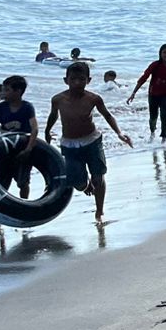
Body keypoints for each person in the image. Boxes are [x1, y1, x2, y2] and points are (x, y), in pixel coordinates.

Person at [46, 61, 133, 223]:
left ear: (89, 80)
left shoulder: (93, 99)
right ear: (66, 80)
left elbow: (108, 116)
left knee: (98, 177)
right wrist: (47, 131)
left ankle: (99, 211)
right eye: (73, 79)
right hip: (69, 144)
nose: (77, 83)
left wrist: (119, 133)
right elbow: (53, 116)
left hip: (92, 141)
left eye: (81, 79)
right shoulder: (58, 99)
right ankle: (86, 186)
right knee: (78, 183)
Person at [0, 75, 38, 199]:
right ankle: (1, 205)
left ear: (18, 91)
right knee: (2, 180)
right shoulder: (1, 107)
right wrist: (1, 132)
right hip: (6, 149)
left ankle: (24, 203)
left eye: (7, 90)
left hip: (22, 149)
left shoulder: (27, 107)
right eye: (3, 90)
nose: (3, 93)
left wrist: (28, 149)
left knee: (23, 182)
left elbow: (34, 129)